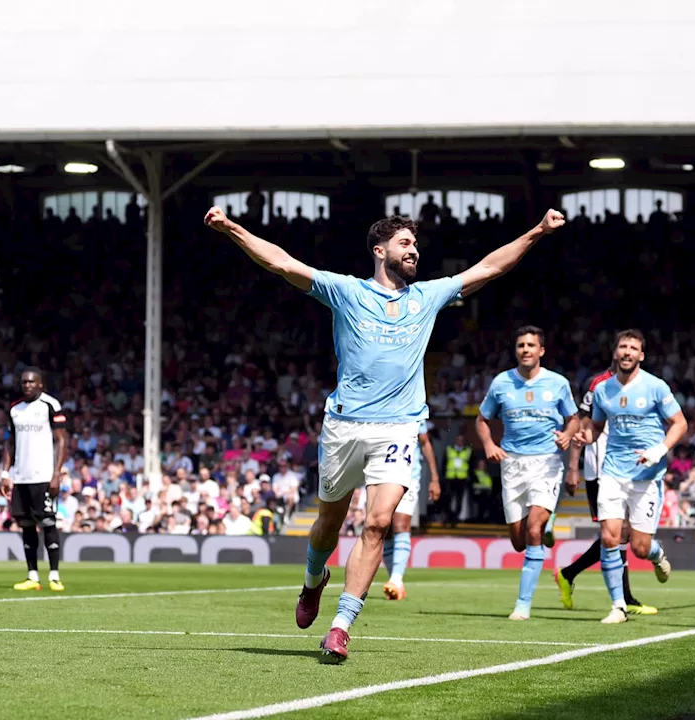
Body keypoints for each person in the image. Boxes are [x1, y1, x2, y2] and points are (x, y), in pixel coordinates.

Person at [204, 205, 564, 663]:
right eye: (405, 243)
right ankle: (313, 582)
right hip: (344, 425)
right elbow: (281, 263)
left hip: (398, 426)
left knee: (378, 523)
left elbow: (489, 268)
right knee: (329, 523)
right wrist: (232, 227)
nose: (415, 250)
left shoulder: (427, 297)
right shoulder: (346, 291)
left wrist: (536, 230)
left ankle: (340, 626)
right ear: (380, 250)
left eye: (415, 244)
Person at [573, 330, 687, 623]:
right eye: (622, 346)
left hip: (646, 475)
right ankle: (618, 606)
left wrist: (660, 450)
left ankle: (657, 555)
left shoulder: (655, 387)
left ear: (641, 355)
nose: (627, 352)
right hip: (611, 471)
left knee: (639, 547)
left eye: (633, 348)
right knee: (609, 537)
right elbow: (596, 427)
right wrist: (586, 436)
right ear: (615, 352)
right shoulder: (602, 390)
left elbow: (679, 424)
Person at [475, 326, 578, 620]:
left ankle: (523, 604)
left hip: (546, 462)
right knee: (519, 542)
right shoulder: (501, 383)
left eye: (531, 345)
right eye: (521, 345)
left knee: (532, 530)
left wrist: (568, 435)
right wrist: (489, 444)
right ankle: (548, 524)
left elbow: (573, 420)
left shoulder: (557, 383)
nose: (526, 350)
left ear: (541, 351)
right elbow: (482, 420)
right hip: (512, 464)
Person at [555, 361, 657, 615]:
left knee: (621, 534)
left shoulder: (643, 385)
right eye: (622, 348)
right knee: (615, 534)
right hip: (601, 469)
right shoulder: (599, 384)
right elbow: (581, 423)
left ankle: (571, 574)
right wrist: (573, 467)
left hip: (628, 469)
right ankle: (623, 598)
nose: (626, 354)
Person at [3, 369, 70, 591]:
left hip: (44, 475)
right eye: (24, 382)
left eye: (31, 382)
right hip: (21, 476)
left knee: (48, 523)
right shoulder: (15, 409)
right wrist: (6, 473)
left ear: (41, 384)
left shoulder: (51, 405)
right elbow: (10, 443)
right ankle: (32, 576)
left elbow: (61, 441)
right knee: (26, 525)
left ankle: (54, 575)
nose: (27, 385)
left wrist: (56, 473)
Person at [381, 420, 441, 601]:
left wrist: (434, 478)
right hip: (380, 475)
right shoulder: (378, 406)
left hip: (408, 475)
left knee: (400, 523)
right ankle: (395, 581)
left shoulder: (415, 409)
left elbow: (425, 442)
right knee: (385, 529)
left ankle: (396, 580)